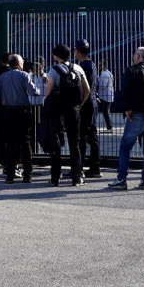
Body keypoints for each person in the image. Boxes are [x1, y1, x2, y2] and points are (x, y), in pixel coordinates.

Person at [108, 46, 144, 190]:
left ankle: (121, 179)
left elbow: (125, 91)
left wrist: (127, 108)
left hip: (135, 114)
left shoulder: (131, 70)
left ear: (139, 57)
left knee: (125, 147)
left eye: (135, 54)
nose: (133, 56)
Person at [44, 44, 90, 186]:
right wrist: (79, 105)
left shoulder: (54, 70)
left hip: (58, 112)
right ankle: (76, 177)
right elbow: (87, 90)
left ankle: (55, 178)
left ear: (57, 56)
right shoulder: (78, 68)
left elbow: (48, 93)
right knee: (74, 143)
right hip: (73, 110)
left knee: (56, 143)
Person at [0, 54, 39, 183]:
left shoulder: (2, 77)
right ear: (19, 64)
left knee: (10, 143)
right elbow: (33, 91)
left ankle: (10, 174)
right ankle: (27, 174)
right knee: (25, 142)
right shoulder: (24, 75)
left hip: (8, 112)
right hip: (22, 111)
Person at [74, 39, 102, 179]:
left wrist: (79, 104)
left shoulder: (82, 66)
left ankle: (79, 167)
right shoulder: (92, 64)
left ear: (78, 52)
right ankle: (95, 167)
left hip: (85, 103)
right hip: (93, 102)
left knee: (82, 136)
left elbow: (83, 87)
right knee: (92, 135)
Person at [96, 59, 115, 132]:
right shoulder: (109, 73)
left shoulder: (104, 74)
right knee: (106, 112)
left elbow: (103, 86)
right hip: (109, 95)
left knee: (105, 112)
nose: (99, 66)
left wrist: (97, 82)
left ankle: (109, 127)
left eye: (100, 65)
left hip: (105, 96)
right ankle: (110, 126)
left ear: (104, 65)